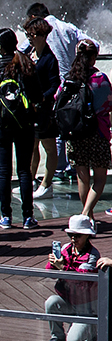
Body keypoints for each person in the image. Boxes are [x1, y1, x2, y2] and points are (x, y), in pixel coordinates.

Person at [0, 27, 40, 228]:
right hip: (25, 123)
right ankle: (28, 217)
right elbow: (37, 95)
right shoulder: (27, 65)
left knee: (4, 170)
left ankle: (6, 216)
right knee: (24, 170)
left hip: (1, 123)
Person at [58, 39, 110, 218]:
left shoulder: (68, 79)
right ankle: (86, 214)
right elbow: (108, 105)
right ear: (94, 57)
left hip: (75, 134)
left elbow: (57, 99)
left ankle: (89, 217)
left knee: (83, 178)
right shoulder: (100, 79)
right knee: (100, 178)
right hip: (98, 133)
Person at [44, 214, 111, 341]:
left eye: (78, 235)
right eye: (70, 235)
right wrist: (52, 263)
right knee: (51, 302)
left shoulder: (92, 256)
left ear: (87, 236)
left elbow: (81, 282)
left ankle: (93, 329)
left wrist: (62, 267)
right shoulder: (66, 249)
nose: (73, 238)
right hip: (70, 300)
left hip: (88, 307)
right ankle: (57, 337)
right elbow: (50, 274)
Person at [23, 15, 64, 197]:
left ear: (42, 35)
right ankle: (30, 181)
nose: (29, 38)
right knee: (32, 147)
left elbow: (55, 85)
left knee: (49, 148)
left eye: (31, 35)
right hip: (30, 110)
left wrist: (41, 99)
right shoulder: (30, 54)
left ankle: (46, 184)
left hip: (44, 110)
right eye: (27, 34)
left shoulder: (49, 59)